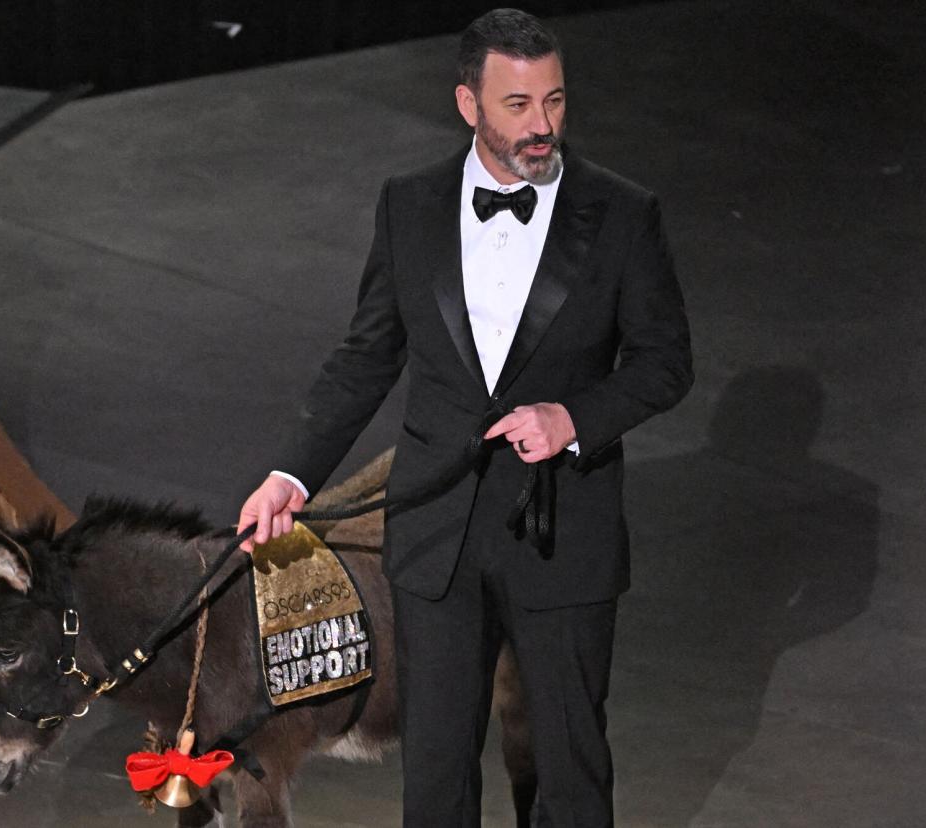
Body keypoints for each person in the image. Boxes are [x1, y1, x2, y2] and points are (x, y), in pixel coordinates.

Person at [237, 8, 692, 826]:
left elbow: (666, 364)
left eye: (554, 101)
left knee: (570, 770)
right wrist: (289, 474)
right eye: (517, 105)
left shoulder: (623, 213)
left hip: (563, 529)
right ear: (467, 104)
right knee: (436, 778)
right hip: (436, 530)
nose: (542, 125)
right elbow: (368, 355)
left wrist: (573, 416)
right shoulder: (408, 206)